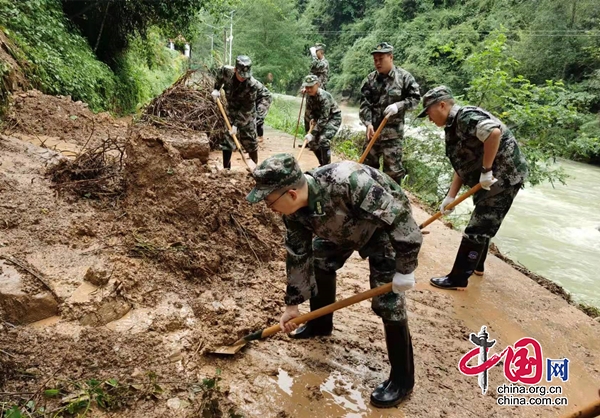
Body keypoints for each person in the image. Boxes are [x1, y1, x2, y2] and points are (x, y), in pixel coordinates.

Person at [246, 153, 423, 408]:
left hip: (381, 229)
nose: (268, 207)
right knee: (320, 261)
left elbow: (402, 222)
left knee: (388, 301)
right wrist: (292, 306)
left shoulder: (350, 183)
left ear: (292, 194)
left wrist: (405, 269)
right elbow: (298, 255)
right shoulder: (294, 212)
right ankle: (320, 324)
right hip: (340, 228)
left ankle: (402, 380)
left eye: (269, 200)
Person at [417, 86, 528, 289]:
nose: (429, 119)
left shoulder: (465, 117)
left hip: (504, 175)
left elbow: (493, 133)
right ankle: (478, 266)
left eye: (429, 113)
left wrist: (486, 170)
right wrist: (450, 197)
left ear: (442, 105)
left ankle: (458, 278)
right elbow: (462, 164)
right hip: (488, 177)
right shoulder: (452, 127)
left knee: (478, 228)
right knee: (482, 217)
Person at [359, 42, 421, 184]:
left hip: (393, 135)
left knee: (393, 173)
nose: (377, 63)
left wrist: (399, 106)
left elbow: (416, 99)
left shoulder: (404, 78)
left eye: (381, 59)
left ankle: (394, 202)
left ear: (391, 57)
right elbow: (364, 106)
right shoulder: (370, 80)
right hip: (372, 132)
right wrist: (368, 123)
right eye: (375, 60)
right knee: (366, 170)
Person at [211, 55, 272, 168]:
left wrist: (236, 125)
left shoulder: (252, 85)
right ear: (235, 70)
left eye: (246, 75)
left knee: (249, 138)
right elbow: (220, 75)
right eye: (241, 75)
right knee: (228, 138)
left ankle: (254, 167)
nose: (243, 78)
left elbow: (246, 108)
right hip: (232, 107)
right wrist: (216, 88)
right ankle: (226, 169)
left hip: (250, 107)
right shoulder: (227, 71)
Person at [301, 74, 342, 166]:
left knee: (323, 140)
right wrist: (312, 118)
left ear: (317, 85)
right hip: (320, 119)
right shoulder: (309, 96)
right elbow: (310, 110)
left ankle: (327, 166)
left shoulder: (324, 97)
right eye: (307, 87)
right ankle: (322, 164)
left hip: (333, 118)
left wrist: (312, 133)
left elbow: (324, 118)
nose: (308, 89)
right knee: (311, 142)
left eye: (311, 87)